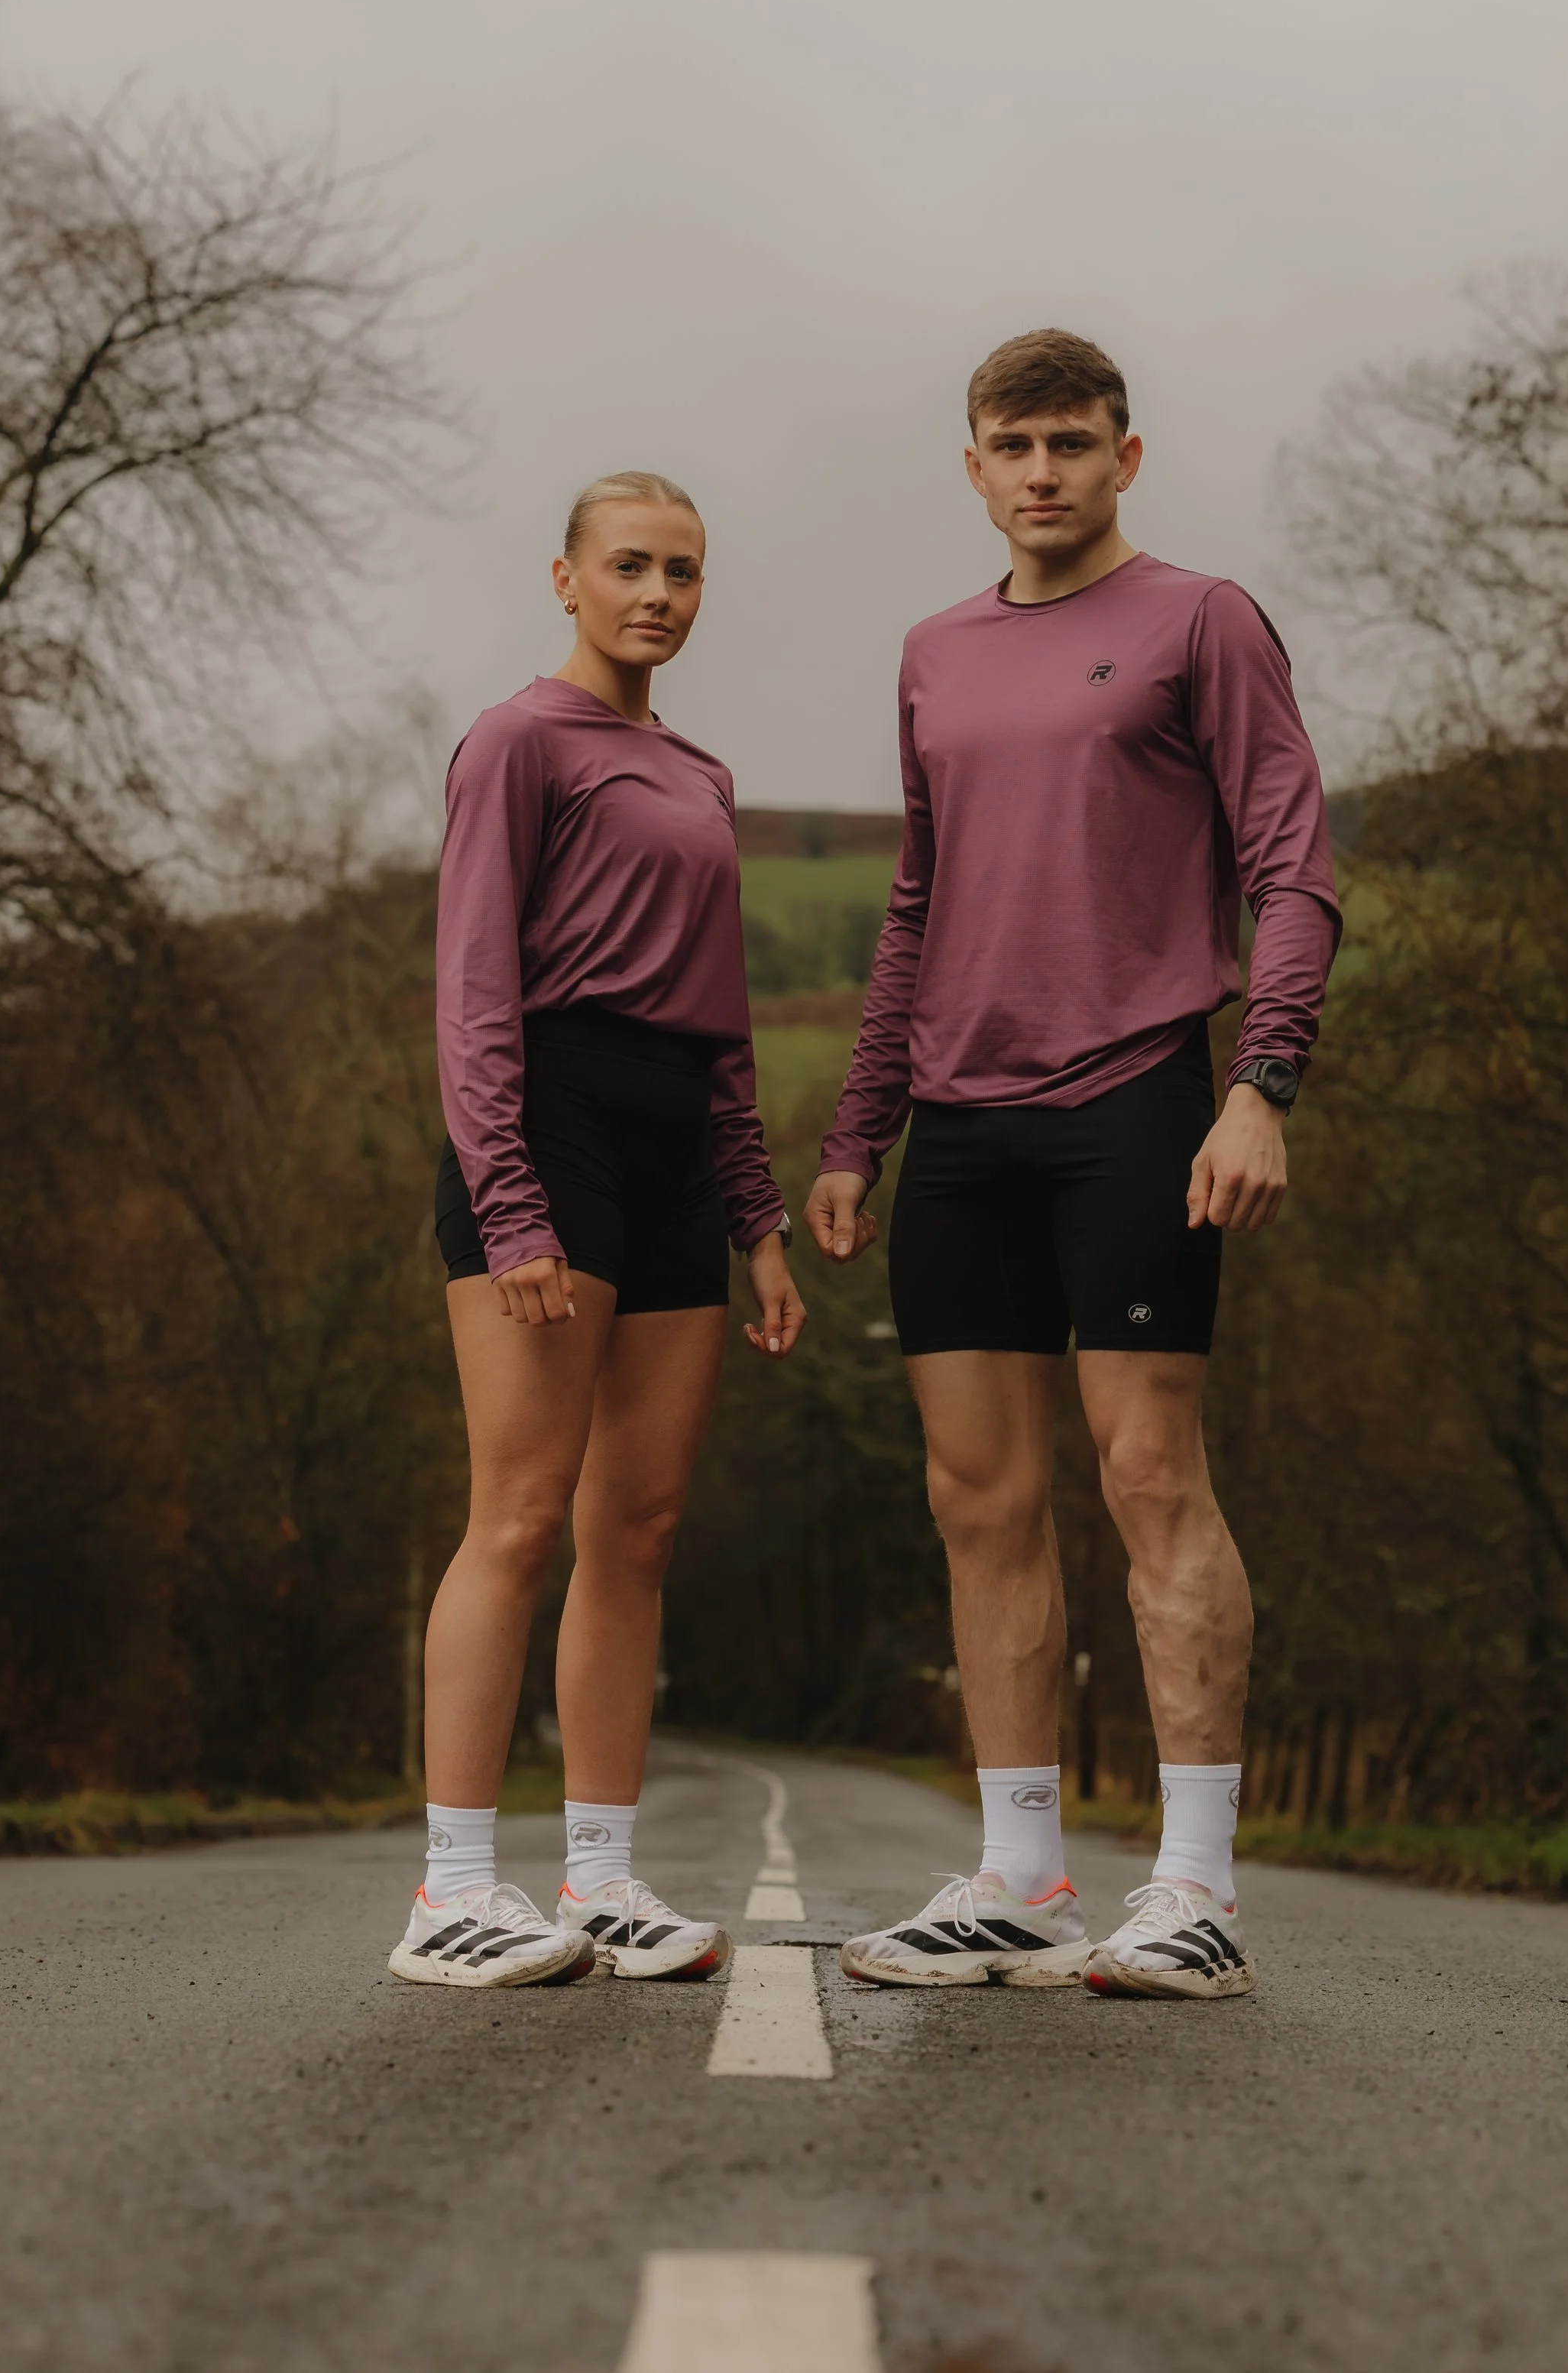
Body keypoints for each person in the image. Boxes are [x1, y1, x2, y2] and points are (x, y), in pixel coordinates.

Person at [805, 332, 1339, 2000]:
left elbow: (1294, 867)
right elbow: (914, 908)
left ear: (1123, 455)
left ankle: (1193, 1887)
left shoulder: (1199, 620)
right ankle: (1020, 1874)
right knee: (976, 1497)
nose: (1039, 470)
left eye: (1068, 441)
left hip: (1134, 1099)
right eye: (1009, 444)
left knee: (1146, 1474)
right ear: (970, 466)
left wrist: (1259, 1082)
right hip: (958, 1125)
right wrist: (856, 1130)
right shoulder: (930, 653)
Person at [390, 471, 805, 1990]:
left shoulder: (697, 770)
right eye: (627, 565)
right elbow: (473, 984)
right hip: (545, 1122)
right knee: (517, 1508)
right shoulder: (514, 740)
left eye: (683, 570)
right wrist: (508, 1203)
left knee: (634, 1527)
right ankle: (448, 1889)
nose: (658, 593)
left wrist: (755, 1215)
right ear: (562, 578)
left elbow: (725, 1025)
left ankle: (606, 1880)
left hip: (675, 1140)